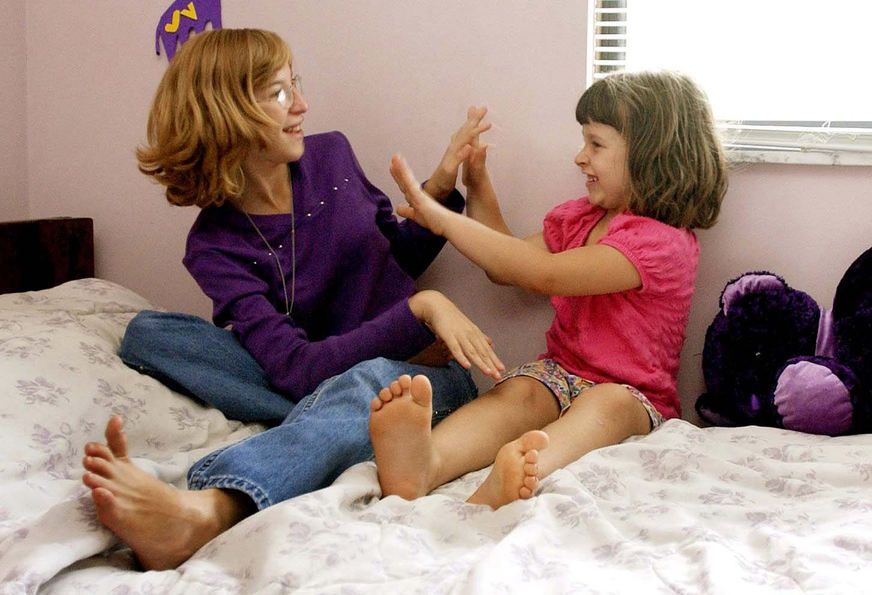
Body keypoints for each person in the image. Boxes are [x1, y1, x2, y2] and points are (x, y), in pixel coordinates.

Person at [80, 28, 502, 570]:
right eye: (280, 93)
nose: (302, 104)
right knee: (149, 334)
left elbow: (398, 254)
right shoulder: (213, 243)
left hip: (414, 378)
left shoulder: (331, 157)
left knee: (364, 387)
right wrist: (418, 311)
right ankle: (321, 413)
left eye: (294, 85)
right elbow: (296, 366)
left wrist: (439, 188)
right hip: (311, 370)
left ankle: (209, 510)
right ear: (227, 112)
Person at [370, 71, 728, 509]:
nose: (580, 157)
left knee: (605, 406)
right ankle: (426, 461)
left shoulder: (662, 243)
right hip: (559, 372)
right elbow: (509, 264)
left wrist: (444, 219)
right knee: (517, 394)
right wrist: (478, 184)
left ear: (652, 156)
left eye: (596, 145)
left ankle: (526, 466)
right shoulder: (580, 219)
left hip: (634, 394)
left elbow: (545, 275)